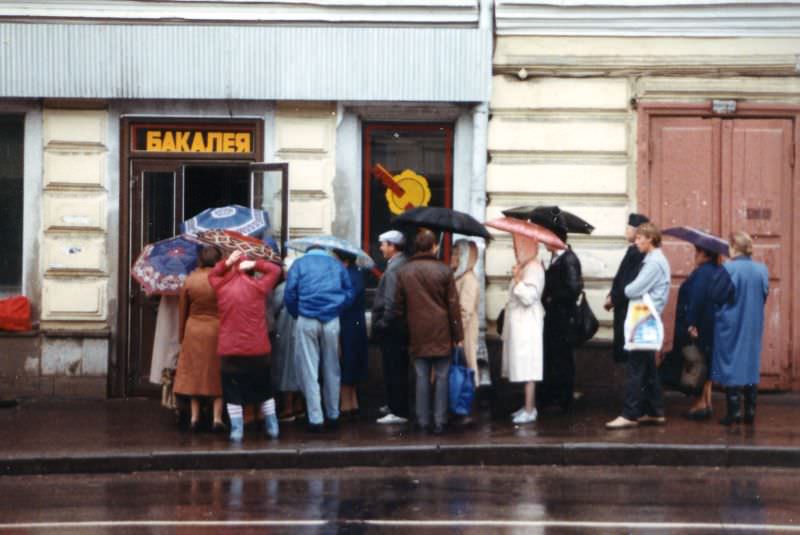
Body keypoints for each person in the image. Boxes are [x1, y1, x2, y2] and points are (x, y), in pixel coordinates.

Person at [393, 229, 463, 434]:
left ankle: (423, 420)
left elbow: (398, 306)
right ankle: (440, 421)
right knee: (442, 376)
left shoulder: (404, 271)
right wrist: (458, 335)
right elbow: (453, 306)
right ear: (434, 247)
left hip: (417, 331)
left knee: (421, 376)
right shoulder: (444, 271)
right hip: (442, 331)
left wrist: (407, 326)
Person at [209, 250, 282, 442]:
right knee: (264, 388)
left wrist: (226, 263)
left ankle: (237, 430)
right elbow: (275, 271)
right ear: (248, 270)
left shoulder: (222, 288)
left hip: (230, 350)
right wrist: (255, 264)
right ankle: (272, 426)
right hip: (258, 349)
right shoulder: (259, 288)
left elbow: (212, 275)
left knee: (233, 391)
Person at [606, 222, 671, 429]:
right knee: (647, 365)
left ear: (650, 239)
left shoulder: (653, 262)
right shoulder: (654, 259)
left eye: (640, 238)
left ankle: (630, 414)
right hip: (646, 318)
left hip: (643, 318)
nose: (636, 241)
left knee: (636, 366)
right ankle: (655, 410)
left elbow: (632, 290)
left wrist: (625, 288)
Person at [284, 246, 354, 432]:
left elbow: (290, 293)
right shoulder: (336, 264)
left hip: (306, 318)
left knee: (309, 369)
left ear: (307, 251)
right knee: (333, 368)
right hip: (331, 319)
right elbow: (349, 292)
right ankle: (333, 414)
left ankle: (316, 418)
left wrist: (297, 313)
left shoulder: (299, 264)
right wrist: (337, 307)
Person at [710, 231, 769, 426]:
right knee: (750, 364)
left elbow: (717, 296)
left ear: (733, 248)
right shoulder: (762, 270)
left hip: (731, 323)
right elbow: (764, 295)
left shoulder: (728, 269)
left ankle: (734, 412)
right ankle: (750, 409)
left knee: (731, 363)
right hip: (753, 322)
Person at [174, 246, 225, 432]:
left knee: (195, 374)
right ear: (218, 261)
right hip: (217, 330)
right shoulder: (222, 279)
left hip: (193, 330)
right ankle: (217, 418)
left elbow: (182, 311)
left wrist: (182, 337)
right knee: (217, 374)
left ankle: (195, 418)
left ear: (201, 260)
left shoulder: (190, 279)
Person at [537, 227, 583, 412]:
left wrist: (552, 297)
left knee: (562, 358)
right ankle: (554, 397)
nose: (543, 242)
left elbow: (573, 289)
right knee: (555, 357)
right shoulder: (557, 258)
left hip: (562, 317)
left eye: (546, 238)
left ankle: (563, 400)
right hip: (555, 316)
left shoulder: (569, 259)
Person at [502, 234, 545, 424]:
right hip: (520, 322)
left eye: (517, 247)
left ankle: (530, 409)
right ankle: (527, 406)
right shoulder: (527, 266)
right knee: (523, 366)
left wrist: (518, 280)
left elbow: (529, 297)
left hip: (527, 323)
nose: (514, 251)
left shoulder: (534, 268)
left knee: (529, 367)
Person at [674, 246, 722, 420]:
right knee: (707, 361)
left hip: (699, 324)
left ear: (705, 254)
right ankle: (706, 401)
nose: (695, 256)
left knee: (698, 360)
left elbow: (697, 299)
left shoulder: (703, 272)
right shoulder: (718, 270)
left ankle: (702, 402)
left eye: (697, 252)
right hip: (712, 323)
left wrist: (690, 323)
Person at [371, 230, 410, 425]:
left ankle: (397, 409)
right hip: (397, 326)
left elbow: (391, 301)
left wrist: (383, 322)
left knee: (394, 368)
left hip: (393, 327)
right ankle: (395, 404)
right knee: (396, 367)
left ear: (392, 246)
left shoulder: (395, 268)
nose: (380, 248)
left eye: (383, 244)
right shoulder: (399, 264)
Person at [605, 213, 649, 364]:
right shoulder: (633, 251)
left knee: (629, 354)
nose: (626, 231)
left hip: (626, 307)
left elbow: (627, 282)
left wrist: (613, 298)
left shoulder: (636, 253)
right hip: (623, 305)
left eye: (628, 228)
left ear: (637, 232)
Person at [335, 249, 369, 417]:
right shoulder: (357, 273)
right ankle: (352, 401)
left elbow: (345, 300)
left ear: (344, 261)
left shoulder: (348, 275)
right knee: (352, 361)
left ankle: (345, 404)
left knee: (346, 361)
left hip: (347, 323)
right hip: (356, 323)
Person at [267, 272, 303, 422]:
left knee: (285, 369)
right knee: (300, 368)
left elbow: (273, 308)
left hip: (284, 331)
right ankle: (300, 406)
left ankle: (288, 408)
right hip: (301, 331)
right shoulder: (305, 285)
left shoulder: (283, 288)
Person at [451, 239, 480, 384]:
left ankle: (469, 399)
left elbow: (464, 310)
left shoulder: (468, 279)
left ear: (465, 257)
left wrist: (458, 334)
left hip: (465, 331)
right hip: (461, 330)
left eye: (456, 254)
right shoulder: (460, 277)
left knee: (468, 364)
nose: (452, 257)